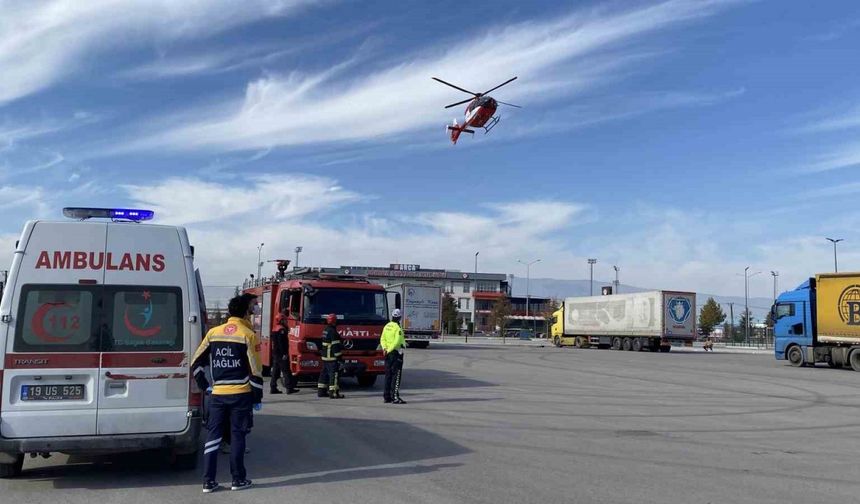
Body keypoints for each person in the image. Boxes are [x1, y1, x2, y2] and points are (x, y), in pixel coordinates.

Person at [192, 293, 263, 493]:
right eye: (253, 306)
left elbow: (195, 363)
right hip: (241, 394)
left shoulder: (213, 333)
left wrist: (205, 385)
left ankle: (208, 482)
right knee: (238, 436)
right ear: (245, 312)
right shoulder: (248, 335)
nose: (254, 309)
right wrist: (256, 399)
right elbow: (256, 372)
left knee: (213, 436)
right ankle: (238, 480)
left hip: (217, 394)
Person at [381, 308, 407, 404]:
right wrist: (390, 349)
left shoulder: (387, 326)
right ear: (399, 317)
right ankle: (395, 397)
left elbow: (382, 338)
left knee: (388, 375)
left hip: (387, 354)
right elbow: (396, 341)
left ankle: (386, 396)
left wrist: (384, 349)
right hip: (396, 353)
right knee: (396, 375)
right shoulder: (397, 327)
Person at [317, 313, 345, 399]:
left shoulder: (326, 330)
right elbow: (335, 347)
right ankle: (333, 393)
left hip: (325, 356)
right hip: (332, 357)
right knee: (334, 375)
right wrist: (340, 358)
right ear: (335, 321)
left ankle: (321, 392)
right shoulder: (333, 332)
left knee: (324, 374)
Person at [271, 314, 299, 394]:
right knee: (286, 371)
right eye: (285, 320)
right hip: (281, 354)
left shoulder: (275, 328)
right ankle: (289, 388)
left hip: (276, 353)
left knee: (275, 371)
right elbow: (281, 344)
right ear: (281, 320)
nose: (286, 322)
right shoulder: (281, 330)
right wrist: (284, 353)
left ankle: (273, 387)